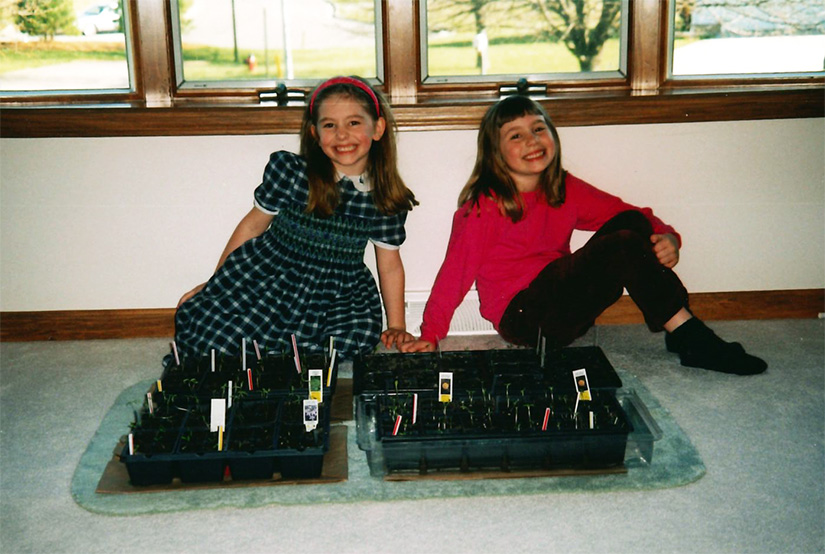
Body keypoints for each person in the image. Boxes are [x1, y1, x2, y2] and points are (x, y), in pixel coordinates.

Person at [400, 95, 766, 375]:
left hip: (565, 303)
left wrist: (668, 235)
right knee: (622, 244)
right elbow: (455, 273)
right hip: (525, 317)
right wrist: (431, 334)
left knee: (631, 226)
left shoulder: (563, 187)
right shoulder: (483, 208)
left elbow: (627, 213)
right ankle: (690, 337)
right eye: (516, 135)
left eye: (539, 129)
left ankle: (683, 331)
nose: (532, 140)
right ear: (495, 153)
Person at [169, 76, 418, 365]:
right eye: (329, 125)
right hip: (271, 279)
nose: (341, 135)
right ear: (314, 133)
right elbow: (252, 226)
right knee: (214, 333)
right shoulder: (292, 174)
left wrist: (397, 324)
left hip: (336, 292)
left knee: (353, 340)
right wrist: (217, 282)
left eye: (353, 123)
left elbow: (389, 266)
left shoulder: (383, 198)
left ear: (377, 128)